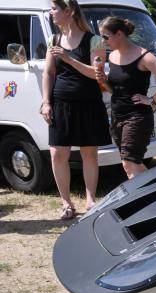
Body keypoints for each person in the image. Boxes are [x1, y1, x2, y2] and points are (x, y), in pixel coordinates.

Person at [42, 0, 111, 220]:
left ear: (69, 11)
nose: (51, 12)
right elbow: (48, 73)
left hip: (88, 103)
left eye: (54, 8)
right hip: (60, 104)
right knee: (57, 154)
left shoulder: (94, 40)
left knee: (89, 153)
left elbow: (96, 74)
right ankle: (66, 203)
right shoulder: (54, 40)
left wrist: (68, 58)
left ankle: (90, 201)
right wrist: (46, 102)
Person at [95, 17, 156, 180]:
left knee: (129, 164)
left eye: (105, 37)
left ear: (119, 34)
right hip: (117, 116)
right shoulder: (112, 57)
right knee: (133, 163)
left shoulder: (144, 56)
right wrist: (104, 81)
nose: (103, 42)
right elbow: (115, 90)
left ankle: (147, 195)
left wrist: (153, 100)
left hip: (137, 117)